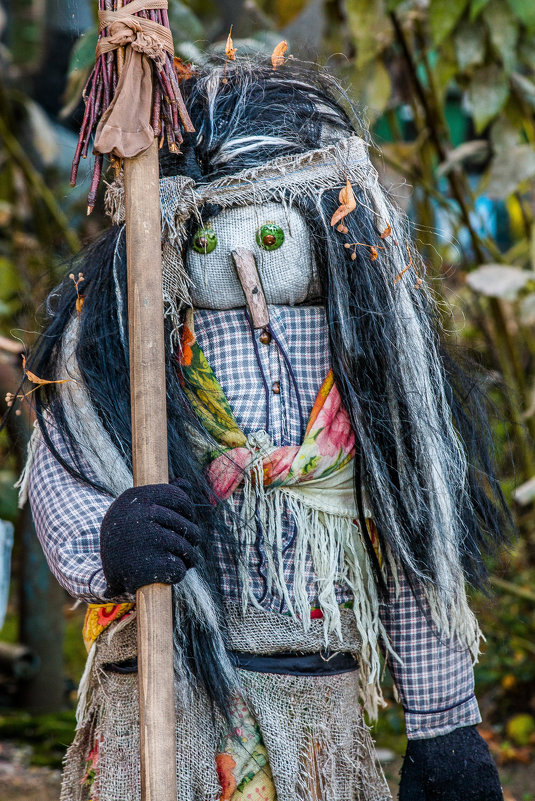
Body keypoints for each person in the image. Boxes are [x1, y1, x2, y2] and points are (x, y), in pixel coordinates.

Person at [22, 61, 507, 801]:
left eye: (274, 237)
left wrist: (443, 727)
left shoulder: (370, 390)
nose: (246, 270)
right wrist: (110, 538)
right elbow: (63, 466)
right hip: (156, 704)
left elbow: (415, 555)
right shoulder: (127, 355)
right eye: (214, 247)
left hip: (311, 718)